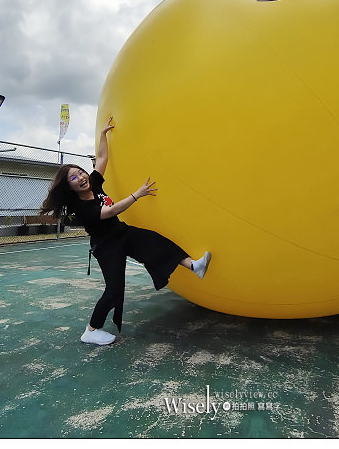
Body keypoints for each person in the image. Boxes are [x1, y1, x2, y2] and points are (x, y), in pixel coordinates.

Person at [40, 117, 211, 346]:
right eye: (74, 178)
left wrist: (103, 134)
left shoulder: (93, 184)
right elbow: (108, 212)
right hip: (107, 246)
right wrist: (136, 195)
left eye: (80, 172)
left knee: (156, 242)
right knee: (114, 290)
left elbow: (102, 158)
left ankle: (194, 266)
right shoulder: (79, 207)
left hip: (122, 234)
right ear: (69, 187)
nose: (81, 178)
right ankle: (91, 330)